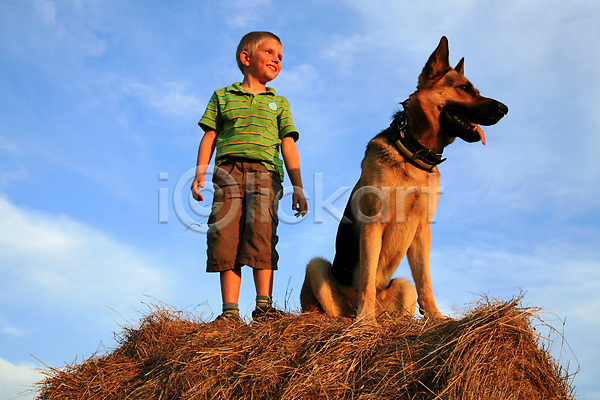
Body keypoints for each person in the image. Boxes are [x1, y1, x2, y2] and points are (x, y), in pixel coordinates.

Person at [191, 31, 308, 322]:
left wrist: (299, 187)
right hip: (227, 174)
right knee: (224, 237)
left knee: (262, 234)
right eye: (269, 52)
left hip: (266, 174)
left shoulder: (279, 103)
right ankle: (229, 312)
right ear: (246, 57)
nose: (276, 59)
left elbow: (288, 146)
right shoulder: (222, 96)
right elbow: (210, 136)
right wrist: (200, 173)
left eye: (280, 57)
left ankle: (263, 306)